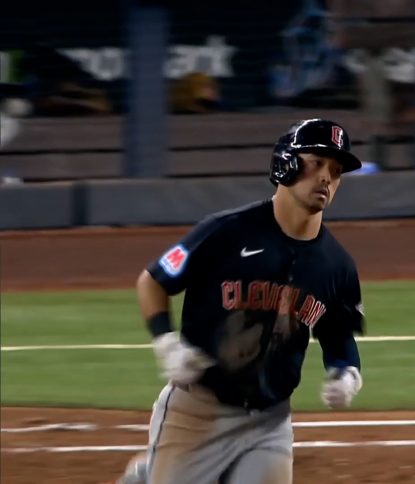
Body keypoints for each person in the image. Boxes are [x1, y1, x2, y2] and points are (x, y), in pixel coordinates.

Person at [116, 118, 367, 484]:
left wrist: (346, 372)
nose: (327, 178)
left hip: (270, 422)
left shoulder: (337, 265)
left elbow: (339, 337)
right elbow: (153, 281)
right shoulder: (225, 232)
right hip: (197, 413)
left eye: (336, 170)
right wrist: (166, 343)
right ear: (286, 163)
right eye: (316, 163)